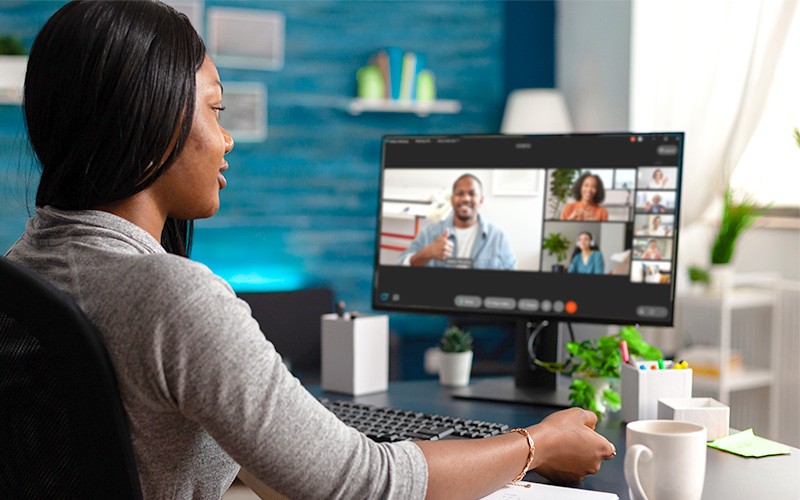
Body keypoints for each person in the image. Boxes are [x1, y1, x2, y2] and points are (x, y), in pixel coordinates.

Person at [5, 2, 614, 498]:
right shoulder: (173, 298)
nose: (227, 139)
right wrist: (539, 443)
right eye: (216, 109)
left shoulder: (24, 270)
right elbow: (365, 484)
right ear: (154, 120)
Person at [398, 174, 517, 270]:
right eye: (460, 193)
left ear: (481, 200)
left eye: (472, 194)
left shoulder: (498, 238)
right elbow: (402, 263)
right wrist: (427, 253)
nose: (465, 198)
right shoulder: (428, 234)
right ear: (452, 199)